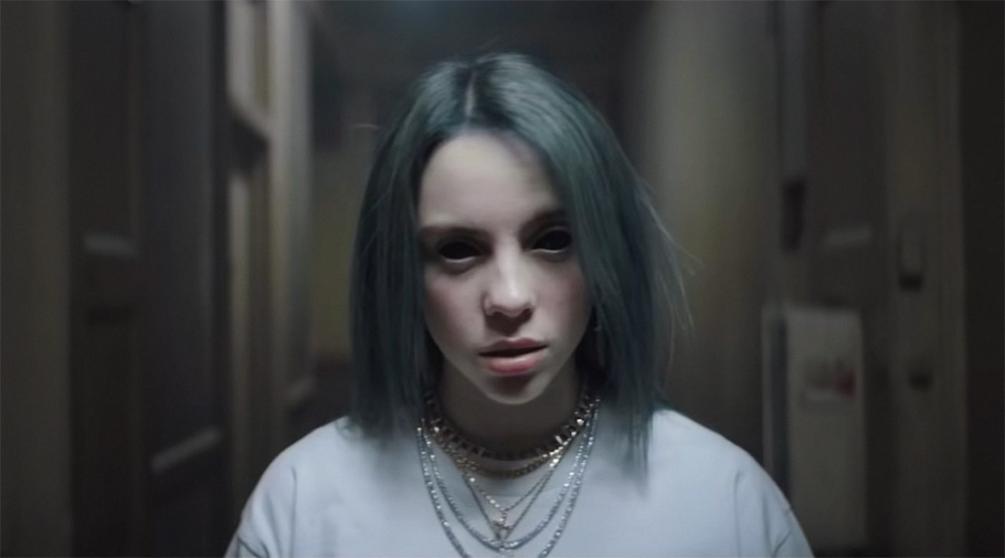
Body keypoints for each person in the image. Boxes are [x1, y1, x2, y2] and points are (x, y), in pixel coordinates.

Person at [226, 53, 812, 557]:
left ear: (607, 250)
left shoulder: (726, 502)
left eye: (552, 240)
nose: (509, 298)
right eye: (458, 250)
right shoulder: (302, 503)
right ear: (401, 272)